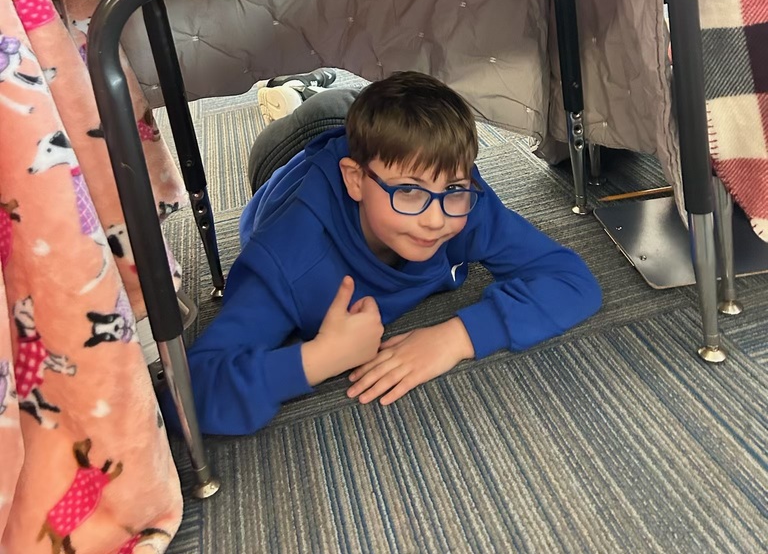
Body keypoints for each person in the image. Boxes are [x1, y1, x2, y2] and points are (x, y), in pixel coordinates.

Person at [172, 72, 602, 436]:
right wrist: (318, 359)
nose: (435, 220)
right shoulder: (288, 260)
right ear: (355, 182)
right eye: (411, 192)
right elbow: (185, 396)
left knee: (371, 119)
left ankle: (314, 88)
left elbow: (572, 280)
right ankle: (297, 92)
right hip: (286, 156)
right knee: (320, 111)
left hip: (371, 143)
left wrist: (457, 337)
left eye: (452, 189)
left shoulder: (464, 203)